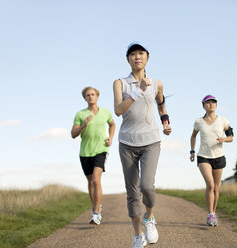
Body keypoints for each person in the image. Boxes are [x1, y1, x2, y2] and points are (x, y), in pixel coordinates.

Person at [113, 42, 172, 248]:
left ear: (147, 57)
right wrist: (138, 91)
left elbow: (161, 104)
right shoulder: (120, 83)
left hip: (151, 141)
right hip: (127, 142)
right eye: (133, 54)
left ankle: (150, 218)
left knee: (147, 186)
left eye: (141, 53)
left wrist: (166, 122)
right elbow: (119, 110)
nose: (137, 57)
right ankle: (138, 235)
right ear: (128, 59)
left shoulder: (157, 83)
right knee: (132, 192)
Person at [71, 86, 115, 225]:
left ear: (97, 96)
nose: (90, 97)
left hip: (101, 149)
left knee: (96, 179)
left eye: (93, 94)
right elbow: (73, 134)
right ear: (85, 98)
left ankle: (96, 214)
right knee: (90, 182)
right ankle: (96, 206)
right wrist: (83, 124)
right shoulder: (80, 114)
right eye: (88, 95)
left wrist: (110, 138)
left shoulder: (105, 112)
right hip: (85, 152)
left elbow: (112, 124)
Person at [190, 95, 233, 226]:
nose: (211, 104)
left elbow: (231, 136)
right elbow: (193, 136)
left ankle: (214, 213)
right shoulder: (199, 122)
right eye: (208, 103)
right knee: (210, 184)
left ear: (216, 105)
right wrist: (192, 151)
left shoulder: (223, 120)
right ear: (204, 106)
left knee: (216, 187)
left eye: (213, 102)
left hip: (218, 157)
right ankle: (210, 214)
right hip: (203, 156)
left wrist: (224, 139)